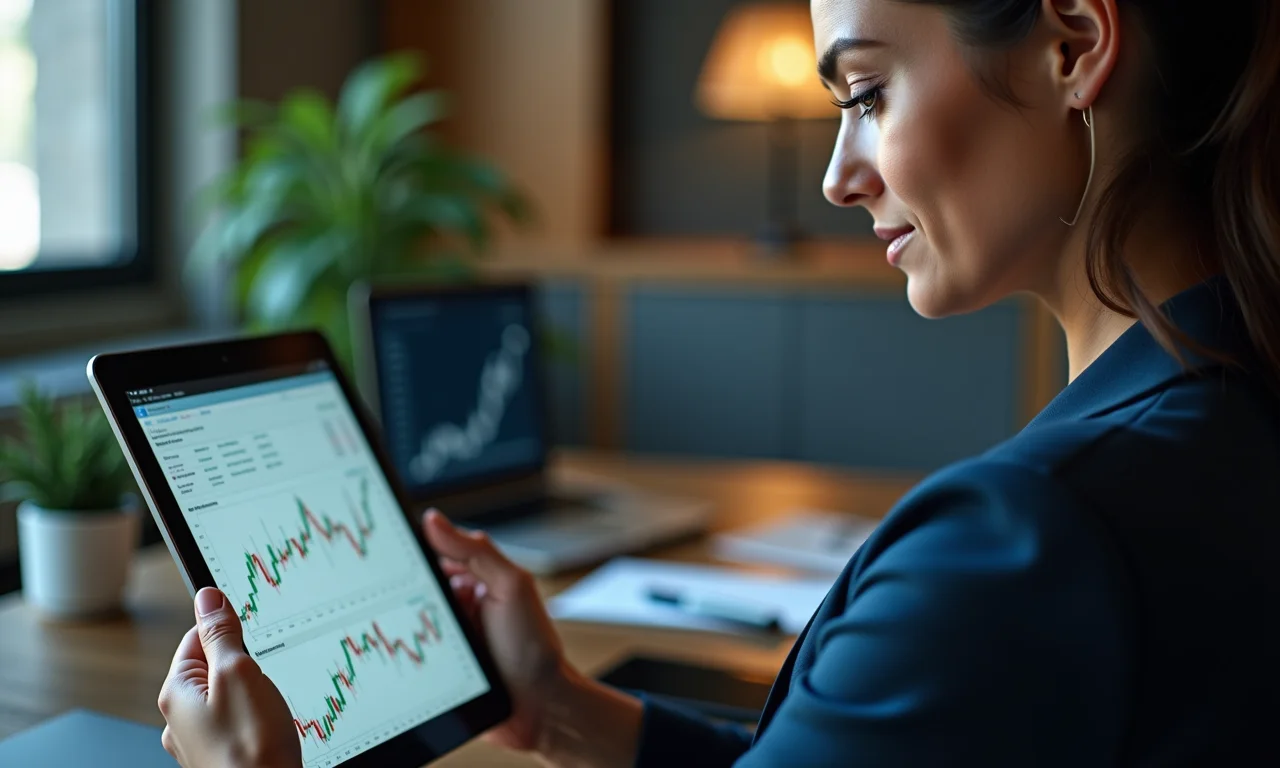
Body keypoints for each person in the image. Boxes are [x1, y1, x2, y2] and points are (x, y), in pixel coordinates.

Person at [157, 0, 1280, 765]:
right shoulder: (1230, 402)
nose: (840, 176)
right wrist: (561, 709)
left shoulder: (1024, 539)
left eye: (867, 92)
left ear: (1074, 43)